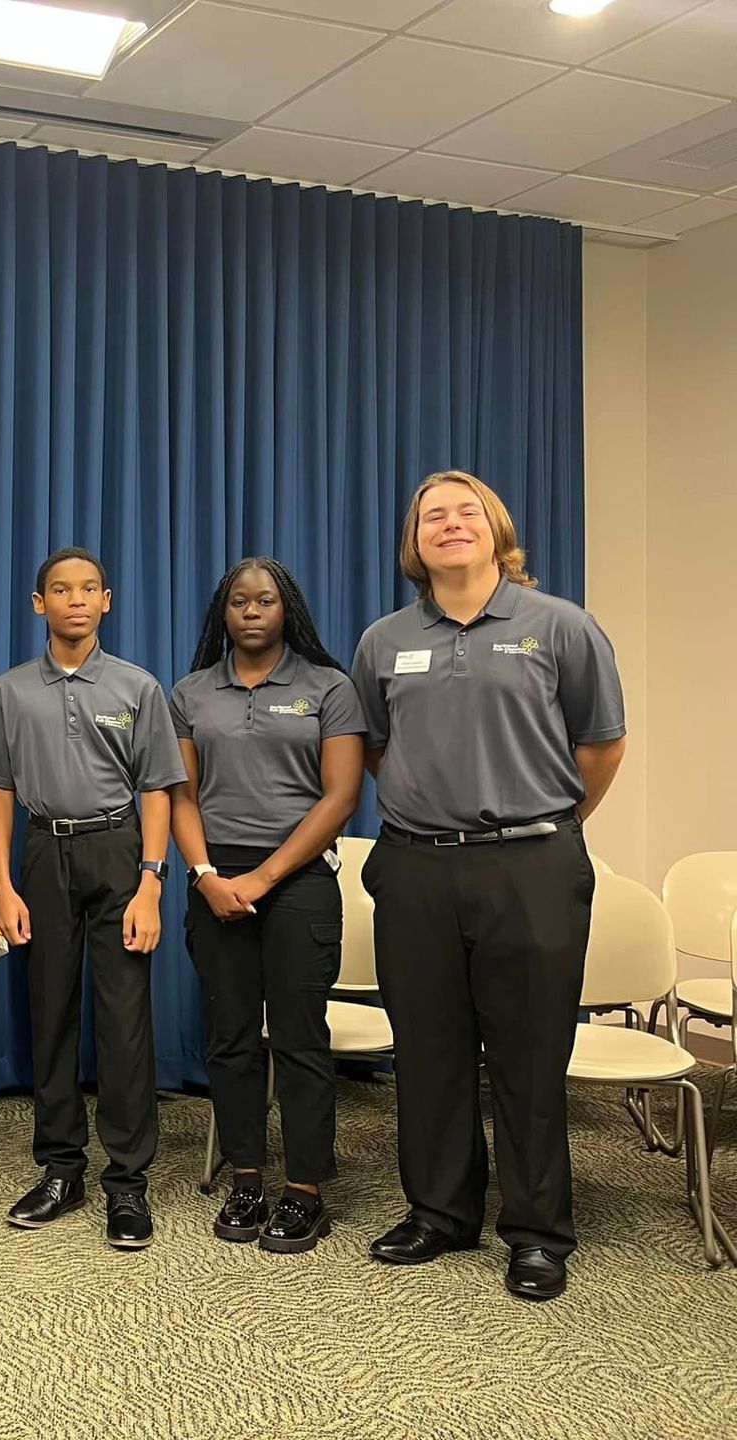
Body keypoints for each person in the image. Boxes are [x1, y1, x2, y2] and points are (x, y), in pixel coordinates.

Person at [351, 470, 625, 1302]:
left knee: (530, 1052)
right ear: (415, 542)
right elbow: (375, 746)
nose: (449, 524)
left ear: (496, 529)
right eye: (432, 515)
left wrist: (543, 824)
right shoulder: (383, 640)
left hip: (531, 862)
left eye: (466, 511)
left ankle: (538, 1231)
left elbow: (602, 745)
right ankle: (439, 1212)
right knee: (428, 1049)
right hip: (417, 863)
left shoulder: (561, 627)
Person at [0, 547, 186, 1248]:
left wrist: (152, 881)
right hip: (41, 854)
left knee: (124, 1020)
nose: (74, 599)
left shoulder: (137, 687)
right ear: (39, 604)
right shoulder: (9, 692)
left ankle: (127, 1182)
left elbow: (157, 787)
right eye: (59, 590)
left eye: (88, 588)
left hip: (117, 850)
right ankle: (61, 1169)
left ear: (106, 601)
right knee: (51, 1013)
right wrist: (3, 883)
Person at [170, 557, 365, 1254]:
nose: (252, 610)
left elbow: (340, 796)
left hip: (300, 882)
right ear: (223, 614)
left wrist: (266, 876)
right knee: (230, 1037)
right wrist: (205, 873)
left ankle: (305, 1187)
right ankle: (246, 1175)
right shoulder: (190, 693)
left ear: (288, 611)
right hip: (214, 879)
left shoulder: (330, 688)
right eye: (239, 601)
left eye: (266, 600)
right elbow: (180, 795)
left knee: (300, 1037)